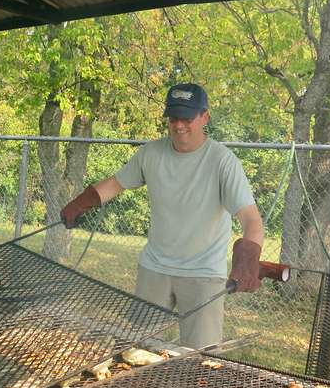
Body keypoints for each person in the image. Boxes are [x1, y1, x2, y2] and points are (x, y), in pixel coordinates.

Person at [60, 83, 264, 349]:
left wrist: (248, 257)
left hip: (203, 274)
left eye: (187, 118)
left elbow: (251, 220)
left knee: (200, 358)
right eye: (174, 117)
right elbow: (116, 184)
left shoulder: (223, 162)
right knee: (138, 350)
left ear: (205, 116)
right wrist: (79, 204)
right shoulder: (151, 153)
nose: (179, 125)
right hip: (154, 269)